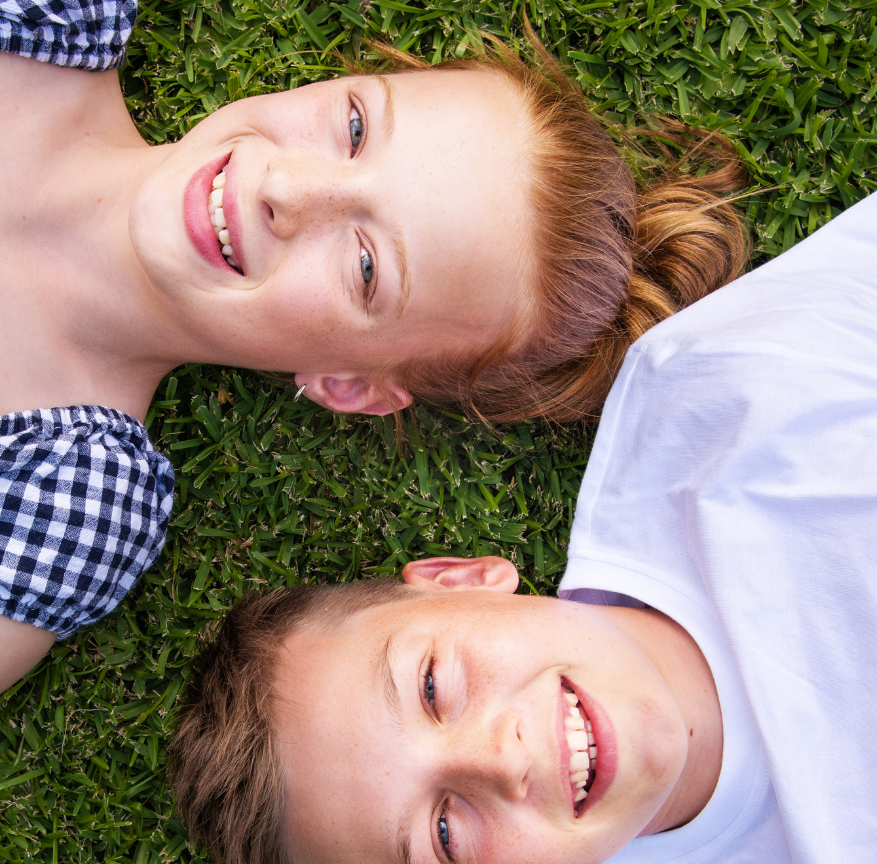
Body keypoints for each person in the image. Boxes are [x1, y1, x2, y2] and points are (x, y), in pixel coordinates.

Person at [0, 0, 748, 836]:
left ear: (347, 383)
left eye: (367, 266)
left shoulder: (61, 501)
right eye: (352, 126)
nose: (287, 191)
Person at [171, 190, 877, 864]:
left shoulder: (724, 400)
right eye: (444, 834)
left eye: (432, 686)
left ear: (466, 580)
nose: (501, 760)